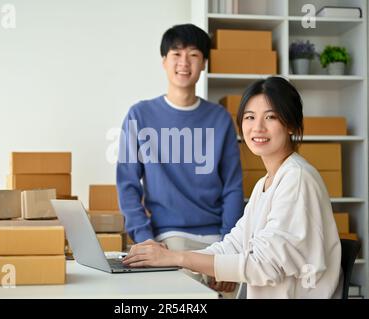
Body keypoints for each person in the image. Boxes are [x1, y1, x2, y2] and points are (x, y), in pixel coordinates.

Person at [123, 76, 343, 299]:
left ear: (292, 125)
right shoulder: (266, 184)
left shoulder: (297, 179)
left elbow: (265, 266)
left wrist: (177, 259)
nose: (258, 127)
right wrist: (172, 256)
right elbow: (234, 245)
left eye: (271, 117)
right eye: (250, 117)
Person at [116, 24, 244, 294]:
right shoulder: (139, 115)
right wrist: (146, 240)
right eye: (176, 54)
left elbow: (233, 187)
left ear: (204, 63)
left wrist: (230, 250)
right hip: (168, 239)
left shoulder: (220, 118)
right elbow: (127, 184)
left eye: (194, 55)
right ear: (164, 62)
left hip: (218, 239)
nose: (184, 62)